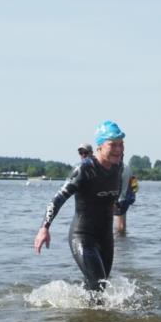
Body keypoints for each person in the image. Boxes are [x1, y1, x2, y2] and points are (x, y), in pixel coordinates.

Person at [35, 121, 125, 292]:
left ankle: (84, 312)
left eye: (121, 144)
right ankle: (95, 318)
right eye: (113, 145)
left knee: (99, 287)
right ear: (99, 146)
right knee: (99, 285)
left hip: (106, 237)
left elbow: (112, 191)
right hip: (83, 237)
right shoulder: (85, 169)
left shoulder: (118, 166)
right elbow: (58, 198)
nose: (118, 149)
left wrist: (117, 204)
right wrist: (44, 228)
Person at [114, 163, 138, 234]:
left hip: (117, 200)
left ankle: (120, 241)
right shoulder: (128, 168)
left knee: (118, 224)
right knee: (123, 224)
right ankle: (123, 240)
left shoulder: (114, 167)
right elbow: (135, 187)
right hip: (125, 200)